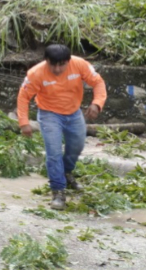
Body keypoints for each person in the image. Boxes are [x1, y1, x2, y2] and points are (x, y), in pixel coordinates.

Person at [16, 43, 107, 210]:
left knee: (76, 147)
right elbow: (23, 97)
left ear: (68, 61)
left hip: (74, 113)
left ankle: (65, 173)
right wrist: (24, 122)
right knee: (54, 152)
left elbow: (98, 83)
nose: (57, 69)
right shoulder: (35, 74)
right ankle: (58, 190)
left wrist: (97, 103)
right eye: (53, 64)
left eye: (62, 65)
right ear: (46, 61)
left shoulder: (80, 65)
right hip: (49, 115)